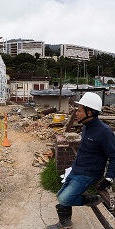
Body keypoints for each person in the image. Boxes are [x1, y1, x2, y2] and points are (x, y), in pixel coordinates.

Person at [47, 92, 115, 229]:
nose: (76, 113)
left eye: (79, 111)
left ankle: (93, 199)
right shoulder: (86, 127)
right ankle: (66, 223)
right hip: (77, 169)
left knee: (65, 198)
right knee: (60, 195)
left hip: (89, 174)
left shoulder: (104, 132)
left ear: (90, 112)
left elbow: (114, 156)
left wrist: (108, 179)